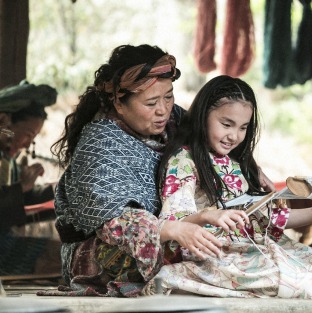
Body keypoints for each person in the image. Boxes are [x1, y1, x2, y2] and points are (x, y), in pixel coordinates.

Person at [47, 44, 278, 297]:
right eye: (151, 102)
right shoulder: (99, 144)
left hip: (175, 233)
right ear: (119, 104)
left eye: (168, 97)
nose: (163, 109)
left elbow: (212, 135)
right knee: (218, 262)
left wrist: (251, 166)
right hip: (104, 254)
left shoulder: (173, 120)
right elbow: (113, 222)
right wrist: (173, 230)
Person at [150, 75, 312, 299]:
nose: (234, 136)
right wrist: (210, 215)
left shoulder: (237, 164)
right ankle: (182, 277)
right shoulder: (183, 162)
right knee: (311, 286)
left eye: (243, 128)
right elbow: (172, 224)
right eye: (226, 124)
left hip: (256, 249)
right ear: (202, 116)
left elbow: (269, 219)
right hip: (214, 257)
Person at [0, 81, 61, 276]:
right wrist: (21, 187)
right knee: (59, 256)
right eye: (27, 135)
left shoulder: (7, 160)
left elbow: (17, 204)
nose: (27, 145)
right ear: (3, 121)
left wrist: (57, 192)